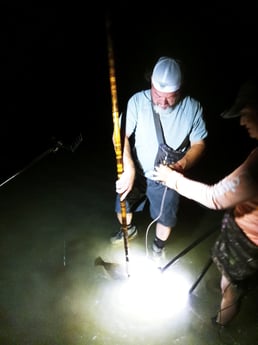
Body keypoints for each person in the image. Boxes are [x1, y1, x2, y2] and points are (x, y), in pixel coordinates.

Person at [153, 78, 258, 325]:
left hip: (249, 242)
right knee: (230, 278)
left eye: (246, 112)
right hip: (243, 227)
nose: (242, 121)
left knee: (232, 287)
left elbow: (214, 197)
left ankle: (220, 325)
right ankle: (230, 287)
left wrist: (172, 178)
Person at [111, 56, 208, 259]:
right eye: (157, 94)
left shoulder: (193, 107)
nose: (163, 102)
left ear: (180, 89)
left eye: (170, 96)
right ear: (151, 85)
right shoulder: (137, 101)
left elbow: (199, 144)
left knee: (165, 218)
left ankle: (157, 248)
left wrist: (180, 166)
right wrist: (128, 167)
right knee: (122, 204)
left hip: (169, 175)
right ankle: (127, 231)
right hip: (136, 169)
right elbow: (120, 135)